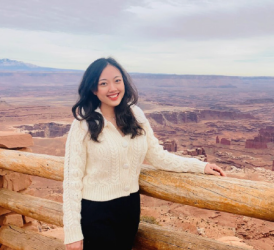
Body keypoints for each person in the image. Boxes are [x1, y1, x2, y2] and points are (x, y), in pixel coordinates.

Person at [63, 57, 226, 250]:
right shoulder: (83, 124)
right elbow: (72, 180)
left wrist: (201, 166)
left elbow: (158, 156)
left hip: (129, 209)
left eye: (117, 80)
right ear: (93, 89)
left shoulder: (135, 115)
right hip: (96, 211)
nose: (113, 88)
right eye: (103, 83)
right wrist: (72, 233)